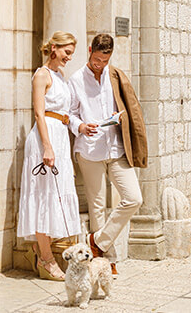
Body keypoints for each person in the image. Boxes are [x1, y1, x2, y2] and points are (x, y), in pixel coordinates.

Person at [68, 33, 148, 275]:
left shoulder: (114, 76)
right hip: (90, 150)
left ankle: (98, 242)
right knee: (97, 206)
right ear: (90, 50)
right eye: (96, 60)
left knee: (134, 198)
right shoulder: (76, 79)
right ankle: (107, 261)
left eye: (104, 60)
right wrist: (80, 126)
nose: (100, 65)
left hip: (116, 147)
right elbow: (70, 113)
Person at [17, 31, 82, 281]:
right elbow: (39, 113)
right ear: (54, 48)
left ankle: (41, 247)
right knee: (44, 194)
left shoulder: (60, 75)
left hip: (61, 135)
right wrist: (47, 146)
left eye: (72, 54)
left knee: (55, 194)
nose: (69, 58)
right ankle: (46, 258)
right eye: (67, 52)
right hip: (47, 137)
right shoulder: (41, 75)